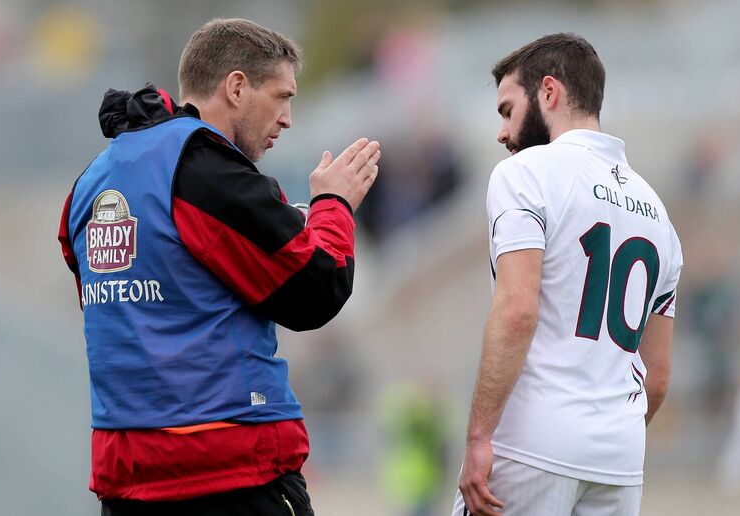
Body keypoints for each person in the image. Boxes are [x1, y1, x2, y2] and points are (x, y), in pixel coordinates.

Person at [57, 18, 380, 516]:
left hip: (128, 478)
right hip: (228, 470)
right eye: (281, 95)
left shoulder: (90, 182)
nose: (288, 118)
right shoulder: (207, 170)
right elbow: (317, 286)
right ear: (235, 87)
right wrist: (333, 205)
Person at [452, 33, 683, 516]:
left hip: (532, 443)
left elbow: (517, 312)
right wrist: (602, 438)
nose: (501, 132)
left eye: (506, 110)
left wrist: (478, 437)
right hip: (619, 460)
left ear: (549, 93)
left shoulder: (526, 173)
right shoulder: (659, 216)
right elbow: (656, 378)